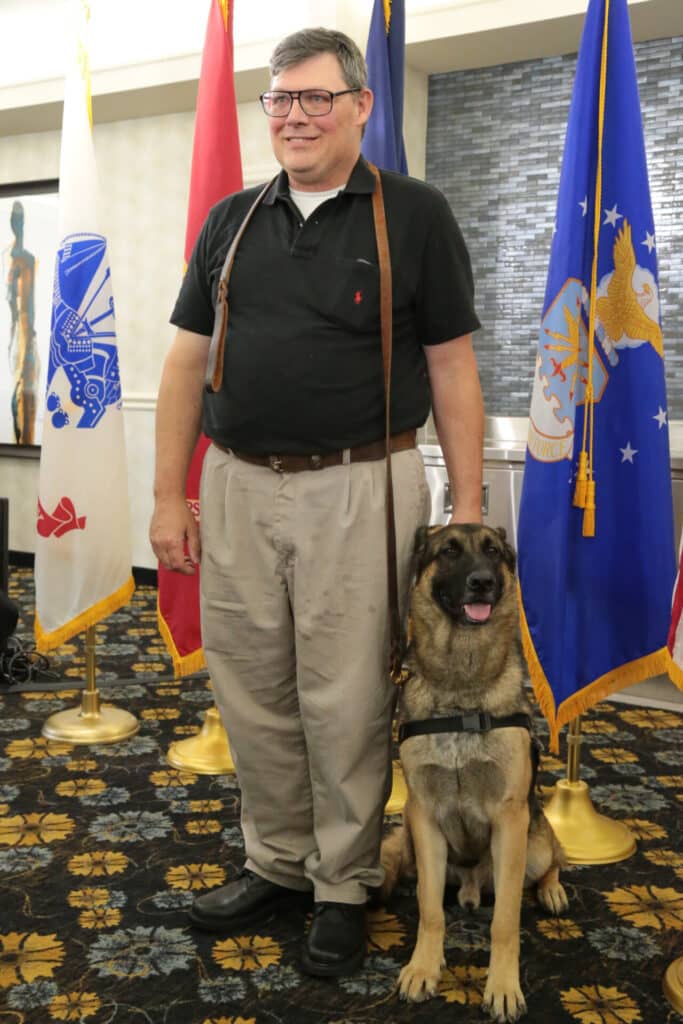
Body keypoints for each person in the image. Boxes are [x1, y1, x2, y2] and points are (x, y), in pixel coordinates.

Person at [150, 26, 484, 978]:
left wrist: (464, 504)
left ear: (359, 106)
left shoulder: (413, 214)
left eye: (315, 98)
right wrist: (169, 494)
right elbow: (183, 363)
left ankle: (342, 881)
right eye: (280, 100)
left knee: (341, 697)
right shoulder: (231, 219)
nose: (294, 116)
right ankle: (278, 862)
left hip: (360, 481)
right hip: (236, 483)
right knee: (252, 688)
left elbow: (452, 366)